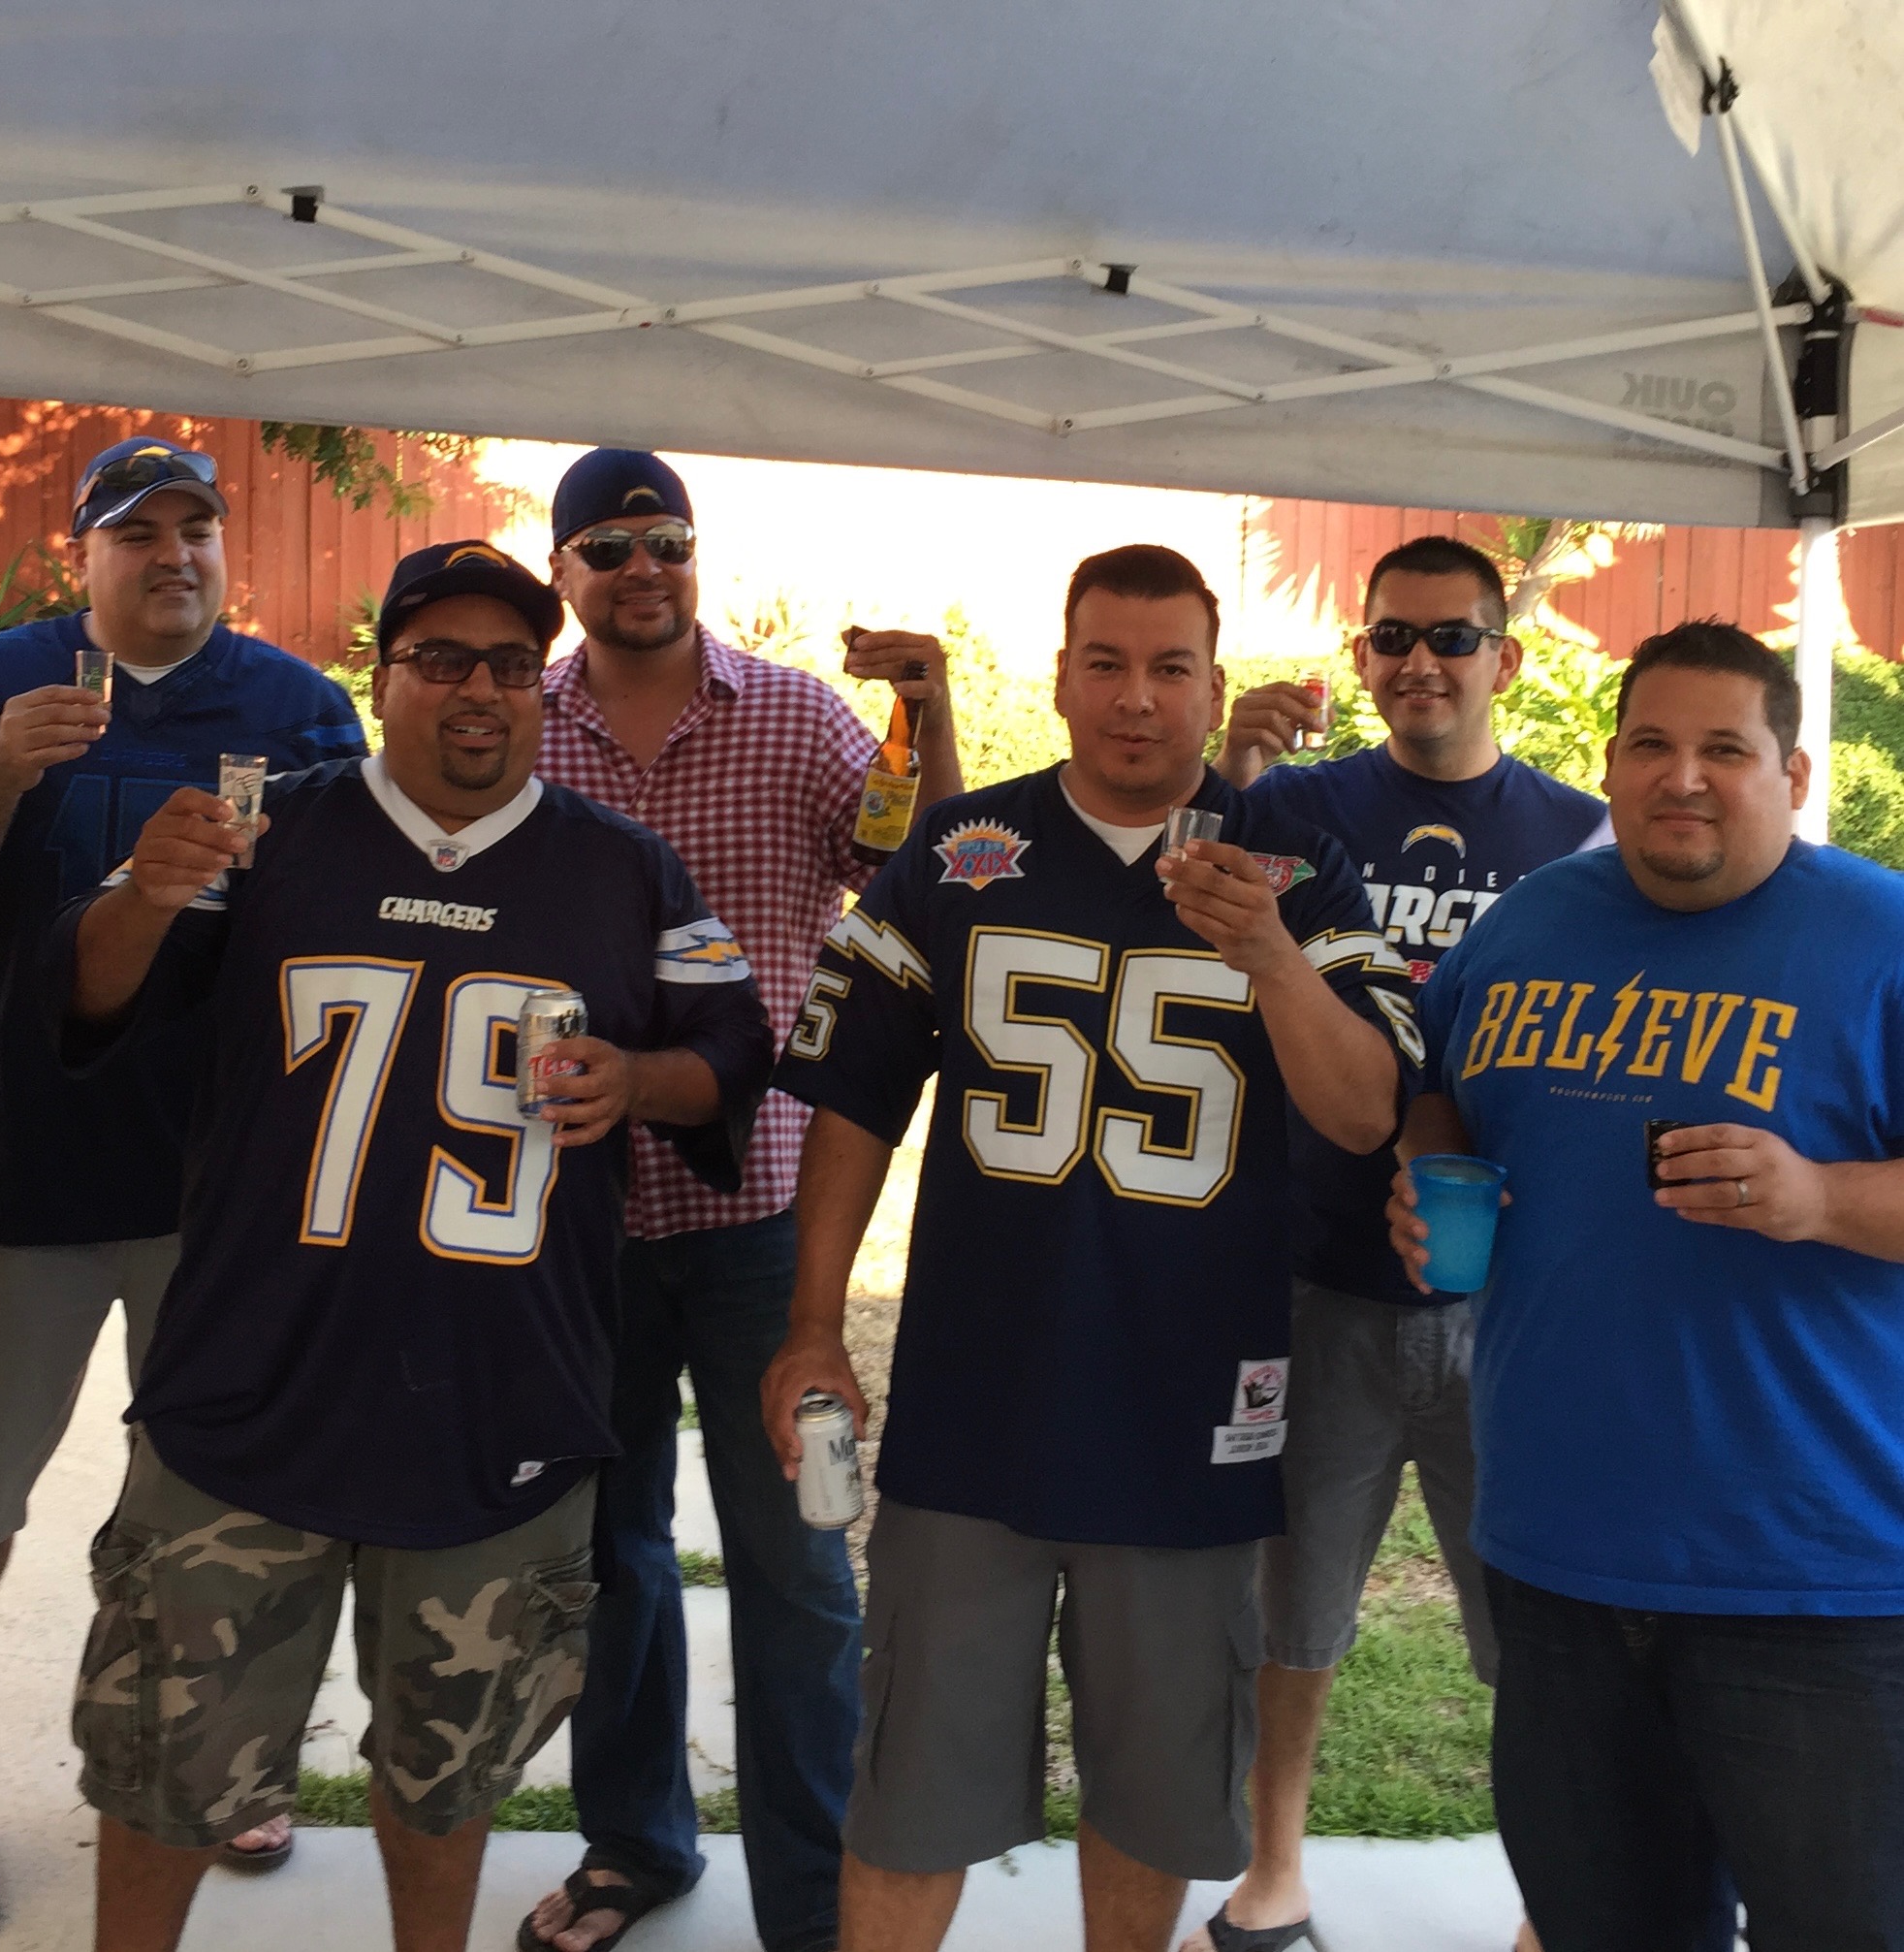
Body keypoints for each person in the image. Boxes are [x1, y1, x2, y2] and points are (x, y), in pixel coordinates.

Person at [51, 539, 772, 1952]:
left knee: (451, 1781)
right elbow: (90, 996)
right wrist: (142, 892)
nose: (478, 690)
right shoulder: (263, 829)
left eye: (510, 664)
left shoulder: (625, 866)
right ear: (381, 679)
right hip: (251, 1392)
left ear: (542, 688)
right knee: (166, 1771)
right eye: (440, 658)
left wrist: (640, 1079)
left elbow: (734, 1046)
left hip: (499, 1407)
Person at [762, 544, 1422, 1952]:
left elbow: (1366, 1113)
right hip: (974, 1405)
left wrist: (1275, 958)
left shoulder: (1296, 869)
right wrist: (814, 1324)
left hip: (1190, 1414)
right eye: (1107, 665)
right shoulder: (961, 848)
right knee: (912, 1793)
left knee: (1156, 1792)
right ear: (1060, 678)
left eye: (1171, 668)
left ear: (1214, 688)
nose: (1137, 699)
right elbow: (853, 1100)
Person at [0, 437, 366, 1932]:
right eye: (137, 530)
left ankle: (222, 1753)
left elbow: (346, 919)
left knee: (220, 1501)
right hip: (17, 1161)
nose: (174, 553)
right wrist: (6, 770)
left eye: (196, 527)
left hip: (218, 1178)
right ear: (81, 555)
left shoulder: (300, 707)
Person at [1389, 621, 1904, 1949]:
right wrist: (1428, 1173)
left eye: (1725, 748)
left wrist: (1822, 1198)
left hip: (1813, 1581)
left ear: (1792, 772)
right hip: (1558, 1559)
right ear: (1610, 767)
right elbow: (1439, 1089)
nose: (1684, 777)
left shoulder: (1882, 936)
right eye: (1652, 745)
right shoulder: (1530, 922)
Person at [523, 449, 962, 1952]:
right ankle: (634, 1842)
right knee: (610, 1557)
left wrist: (931, 714)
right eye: (608, 546)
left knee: (801, 1567)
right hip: (570, 1221)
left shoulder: (798, 717)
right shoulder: (524, 722)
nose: (643, 566)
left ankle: (819, 1903)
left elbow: (928, 875)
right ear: (564, 570)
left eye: (667, 538)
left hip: (767, 1218)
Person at [1184, 536, 1605, 1952]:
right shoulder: (1293, 806)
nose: (1420, 662)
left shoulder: (1578, 834)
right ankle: (1273, 1874)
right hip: (1318, 1275)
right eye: (1392, 637)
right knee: (1293, 1612)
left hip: (1518, 1297)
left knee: (1538, 1628)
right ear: (1360, 655)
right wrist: (1231, 772)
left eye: (1452, 636)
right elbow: (1178, 918)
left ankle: (1554, 1900)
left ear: (1507, 657)